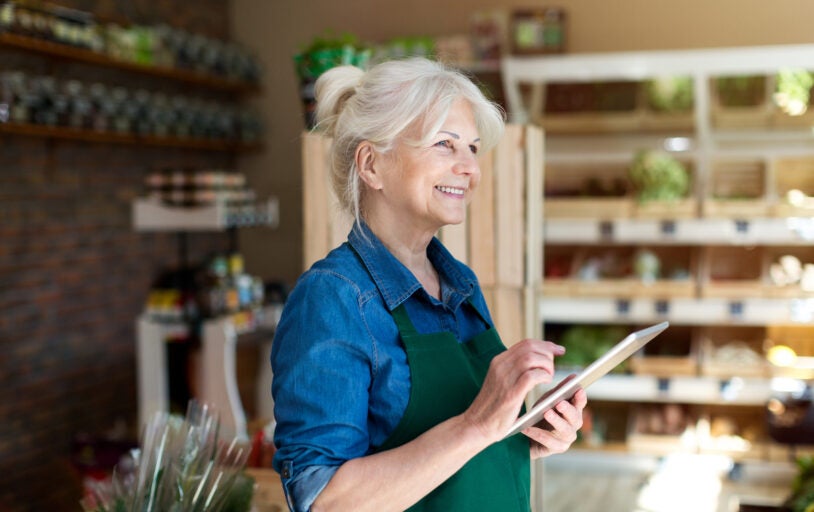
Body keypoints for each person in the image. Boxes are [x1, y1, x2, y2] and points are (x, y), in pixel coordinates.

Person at [271, 57, 587, 512]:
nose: (469, 169)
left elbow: (459, 458)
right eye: (445, 144)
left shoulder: (460, 284)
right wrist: (478, 424)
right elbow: (325, 502)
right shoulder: (333, 297)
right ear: (371, 164)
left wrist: (528, 435)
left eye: (473, 149)